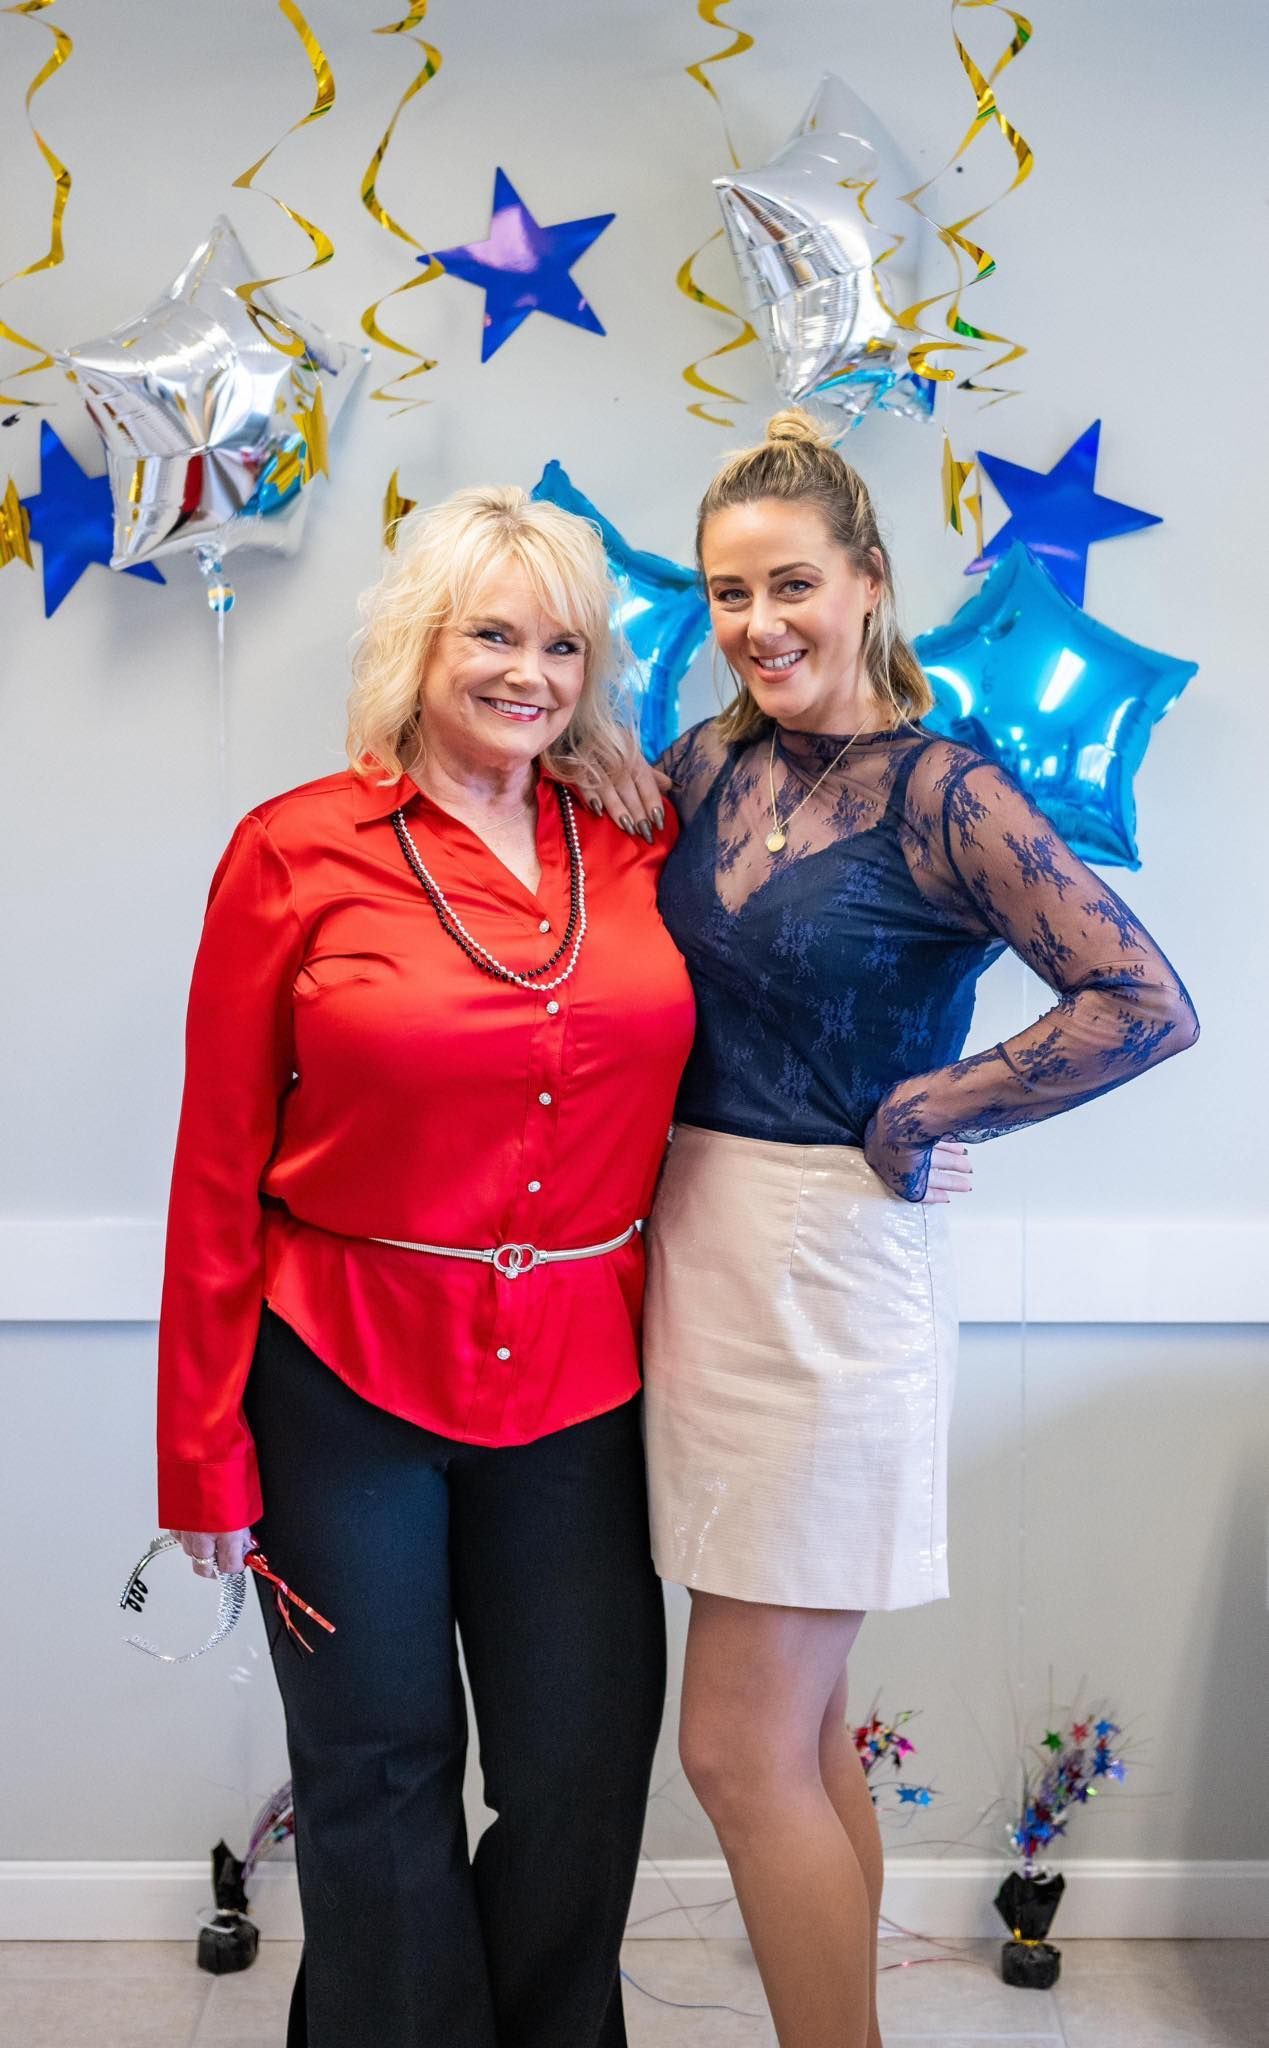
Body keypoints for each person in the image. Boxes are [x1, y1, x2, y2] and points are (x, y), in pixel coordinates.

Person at [609, 410, 1198, 2048]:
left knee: (735, 1749)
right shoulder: (707, 759)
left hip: (827, 1283)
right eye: (728, 593)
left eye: (790, 583)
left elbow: (1141, 1003)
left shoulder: (947, 792)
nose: (757, 623)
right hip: (690, 1262)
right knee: (802, 1733)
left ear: (867, 585)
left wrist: (934, 1107)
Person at [155, 485, 696, 2048]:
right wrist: (202, 1452)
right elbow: (211, 1169)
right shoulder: (290, 852)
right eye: (492, 633)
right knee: (375, 1768)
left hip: (587, 1384)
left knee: (581, 1767)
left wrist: (920, 1110)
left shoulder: (639, 846)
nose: (528, 671)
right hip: (337, 1379)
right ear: (419, 642)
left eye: (562, 644)